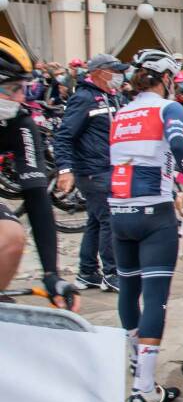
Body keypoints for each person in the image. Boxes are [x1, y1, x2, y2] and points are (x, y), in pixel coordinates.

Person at [109, 49, 183, 402]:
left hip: (119, 211)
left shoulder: (122, 112)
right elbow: (176, 145)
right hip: (153, 215)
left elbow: (142, 156)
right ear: (166, 79)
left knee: (129, 288)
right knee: (156, 295)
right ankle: (144, 386)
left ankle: (134, 358)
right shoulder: (167, 108)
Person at [0, 38, 79, 311]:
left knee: (11, 236)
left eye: (23, 88)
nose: (21, 97)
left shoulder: (20, 123)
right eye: (11, 89)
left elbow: (37, 199)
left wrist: (51, 275)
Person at [53, 53, 129, 292]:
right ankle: (111, 273)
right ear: (98, 72)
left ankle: (87, 273)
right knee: (110, 219)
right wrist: (65, 169)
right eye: (113, 70)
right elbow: (64, 135)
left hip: (108, 166)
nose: (118, 75)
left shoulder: (112, 97)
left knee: (96, 221)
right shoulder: (84, 98)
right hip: (93, 170)